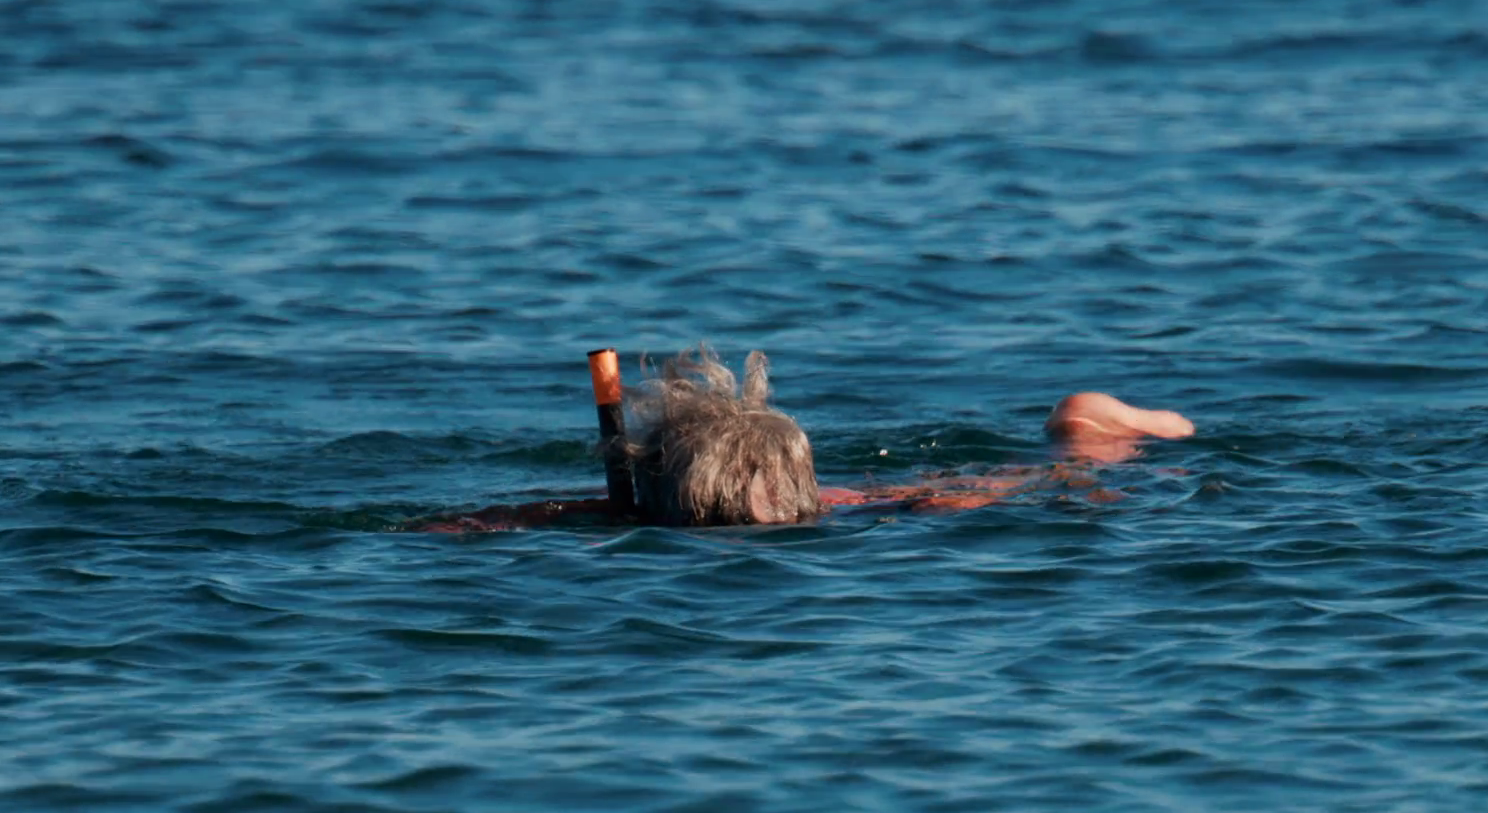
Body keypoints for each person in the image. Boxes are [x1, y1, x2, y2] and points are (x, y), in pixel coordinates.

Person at [414, 347, 1192, 532]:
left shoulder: (853, 508)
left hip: (889, 499)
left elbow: (982, 497)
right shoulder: (635, 513)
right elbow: (513, 517)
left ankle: (1088, 428)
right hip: (863, 500)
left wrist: (1076, 485)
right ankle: (1078, 428)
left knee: (1069, 451)